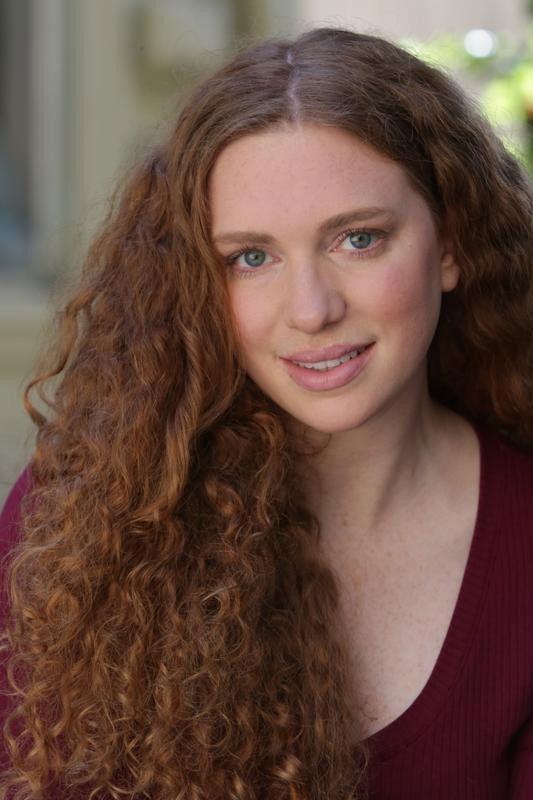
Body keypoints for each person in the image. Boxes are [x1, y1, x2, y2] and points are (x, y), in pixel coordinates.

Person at [1, 26, 532, 800]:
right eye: (251, 258)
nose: (310, 310)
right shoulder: (82, 518)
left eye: (357, 239)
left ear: (448, 245)